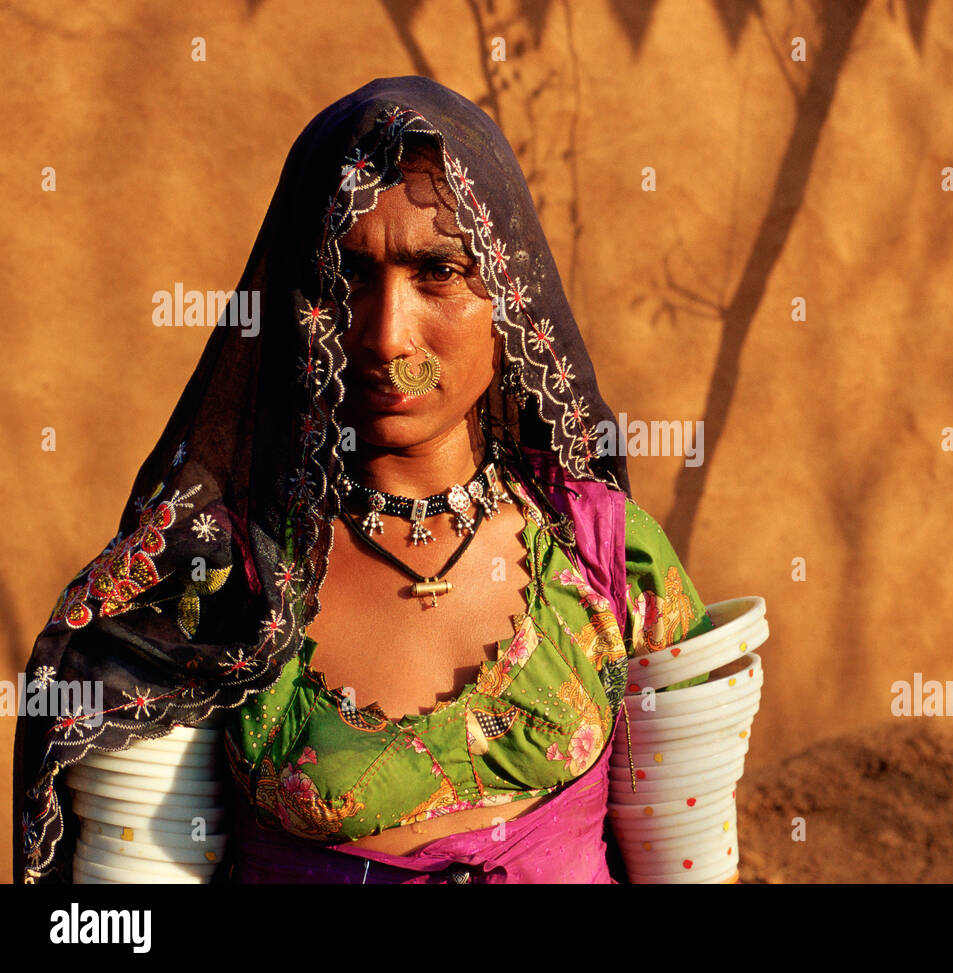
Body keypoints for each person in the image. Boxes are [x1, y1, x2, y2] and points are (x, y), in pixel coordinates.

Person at [13, 76, 714, 884]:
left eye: (438, 271)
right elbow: (132, 879)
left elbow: (692, 856)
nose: (386, 333)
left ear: (511, 302)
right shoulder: (221, 586)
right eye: (346, 276)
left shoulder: (605, 560)